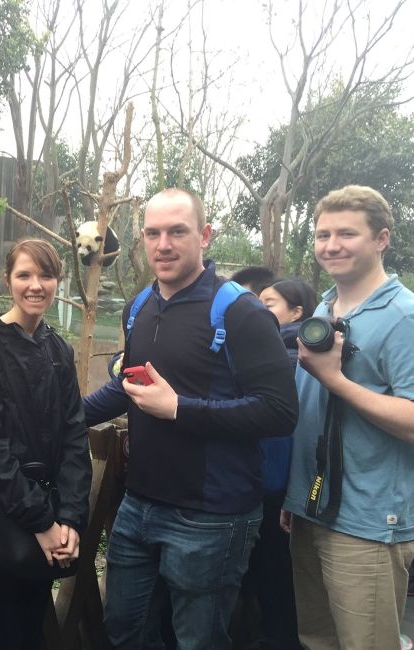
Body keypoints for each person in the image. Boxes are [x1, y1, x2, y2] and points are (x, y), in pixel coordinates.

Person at [83, 188, 298, 649]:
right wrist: (61, 417)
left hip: (211, 516)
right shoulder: (139, 307)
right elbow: (129, 389)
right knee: (125, 628)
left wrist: (180, 408)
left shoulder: (241, 312)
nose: (164, 244)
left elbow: (280, 411)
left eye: (177, 231)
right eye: (153, 233)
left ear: (204, 235)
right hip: (138, 505)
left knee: (198, 641)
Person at [281, 185, 414, 649]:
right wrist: (295, 497)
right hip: (312, 510)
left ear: (381, 239)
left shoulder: (404, 316)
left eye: (346, 234)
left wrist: (337, 380)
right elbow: (312, 413)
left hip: (369, 522)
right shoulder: (324, 308)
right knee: (317, 639)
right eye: (322, 234)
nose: (331, 245)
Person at [0, 239, 92, 650]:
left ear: (58, 282)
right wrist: (42, 523)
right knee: (0, 628)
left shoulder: (58, 349)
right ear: (7, 280)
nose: (36, 285)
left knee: (33, 626)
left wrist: (69, 517)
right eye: (25, 275)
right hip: (3, 512)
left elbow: (75, 434)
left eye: (46, 275)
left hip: (51, 514)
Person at [242, 278, 317, 650]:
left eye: (268, 303)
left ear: (297, 312)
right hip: (271, 481)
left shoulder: (297, 352)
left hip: (278, 486)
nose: (259, 309)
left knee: (274, 575)